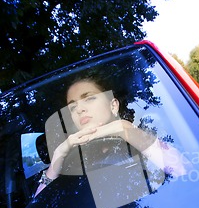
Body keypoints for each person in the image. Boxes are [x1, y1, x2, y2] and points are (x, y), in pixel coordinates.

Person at [35, 73, 187, 196]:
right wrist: (59, 154)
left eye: (89, 98)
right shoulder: (75, 161)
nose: (79, 109)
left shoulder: (142, 136)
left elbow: (184, 172)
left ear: (113, 106)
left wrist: (123, 128)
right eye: (73, 107)